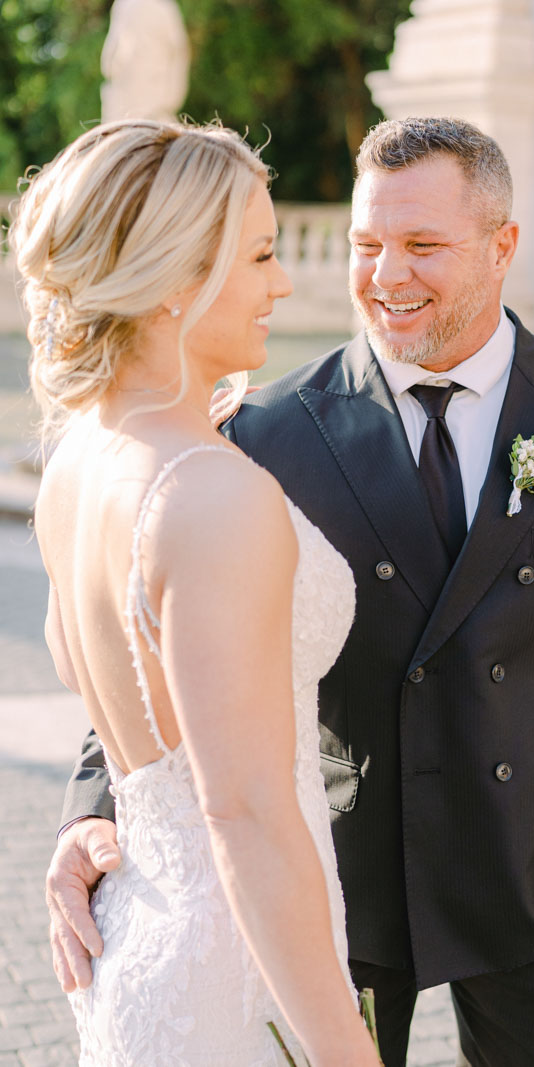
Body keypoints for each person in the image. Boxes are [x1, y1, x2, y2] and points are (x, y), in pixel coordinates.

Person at [47, 117, 534, 1066]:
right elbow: (157, 635)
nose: (383, 276)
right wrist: (95, 804)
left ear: (503, 246)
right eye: (366, 245)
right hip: (337, 880)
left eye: (422, 246)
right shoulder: (261, 431)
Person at [12, 119, 380, 1067]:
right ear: (178, 279)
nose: (284, 281)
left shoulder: (77, 462)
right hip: (233, 972)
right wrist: (346, 1051)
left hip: (143, 939)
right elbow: (246, 810)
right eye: (259, 255)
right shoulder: (211, 493)